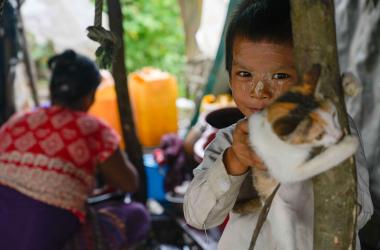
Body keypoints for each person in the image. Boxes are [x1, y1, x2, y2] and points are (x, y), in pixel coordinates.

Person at [183, 0, 373, 249]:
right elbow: (199, 217)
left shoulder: (332, 130)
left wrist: (303, 156)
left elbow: (360, 214)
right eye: (245, 74)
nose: (259, 91)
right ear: (229, 77)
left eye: (280, 76)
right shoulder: (231, 142)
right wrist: (235, 162)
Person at [0, 50, 150, 250]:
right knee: (136, 215)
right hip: (39, 237)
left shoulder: (18, 122)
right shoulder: (93, 128)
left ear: (52, 90)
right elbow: (129, 183)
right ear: (89, 96)